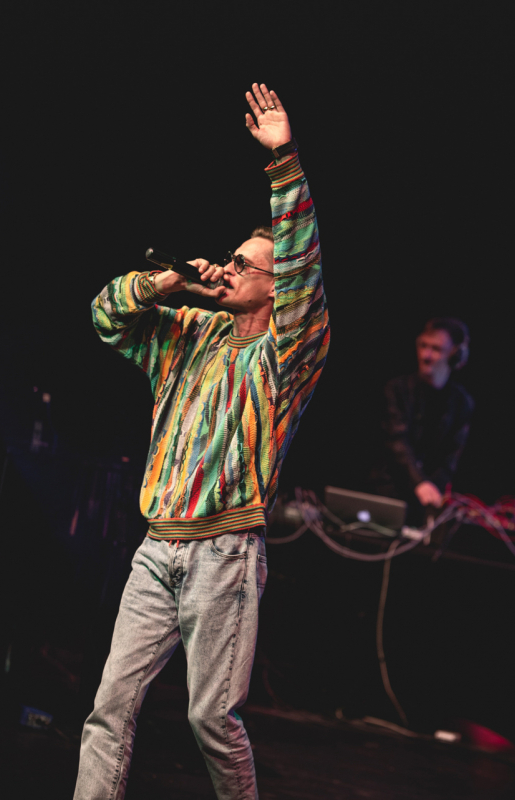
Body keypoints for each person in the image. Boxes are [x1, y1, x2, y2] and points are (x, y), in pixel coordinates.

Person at [75, 84, 329, 800]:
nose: (231, 268)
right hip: (158, 547)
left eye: (246, 265)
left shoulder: (288, 353)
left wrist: (283, 161)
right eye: (232, 258)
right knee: (108, 709)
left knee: (211, 718)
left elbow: (304, 269)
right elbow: (105, 316)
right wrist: (167, 282)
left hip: (224, 551)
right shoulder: (190, 332)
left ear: (276, 289)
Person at [372, 318, 473, 526]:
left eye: (436, 349)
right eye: (423, 346)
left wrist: (432, 492)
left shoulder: (462, 403)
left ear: (454, 355)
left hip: (425, 504)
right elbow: (397, 442)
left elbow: (450, 460)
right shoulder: (397, 389)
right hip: (387, 494)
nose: (426, 355)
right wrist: (420, 483)